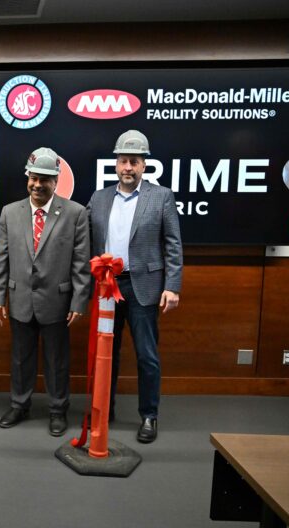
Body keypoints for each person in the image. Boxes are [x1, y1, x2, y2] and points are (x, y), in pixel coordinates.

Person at [86, 130, 182, 443]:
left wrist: (173, 286)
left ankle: (149, 416)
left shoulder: (161, 196)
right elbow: (83, 240)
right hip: (106, 288)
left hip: (144, 287)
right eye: (123, 161)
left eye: (135, 162)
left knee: (146, 355)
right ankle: (104, 408)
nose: (128, 167)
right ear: (116, 164)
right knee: (106, 353)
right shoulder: (99, 198)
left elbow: (173, 245)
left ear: (144, 165)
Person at [0, 148, 91, 437]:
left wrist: (79, 301)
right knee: (20, 358)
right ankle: (19, 405)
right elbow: (1, 259)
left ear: (55, 181)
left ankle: (58, 409)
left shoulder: (76, 214)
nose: (37, 185)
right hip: (20, 298)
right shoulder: (10, 212)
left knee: (57, 360)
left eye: (44, 180)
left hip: (58, 302)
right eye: (33, 178)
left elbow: (80, 263)